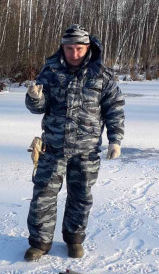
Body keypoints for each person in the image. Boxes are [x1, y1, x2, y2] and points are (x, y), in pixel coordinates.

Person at [24, 24, 125, 261]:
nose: (74, 53)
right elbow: (38, 108)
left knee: (80, 196)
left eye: (79, 48)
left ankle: (74, 240)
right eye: (69, 48)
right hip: (53, 148)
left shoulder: (102, 75)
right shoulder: (49, 72)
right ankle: (40, 243)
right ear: (62, 48)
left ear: (88, 47)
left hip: (86, 150)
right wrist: (33, 98)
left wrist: (115, 140)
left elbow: (114, 109)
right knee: (44, 196)